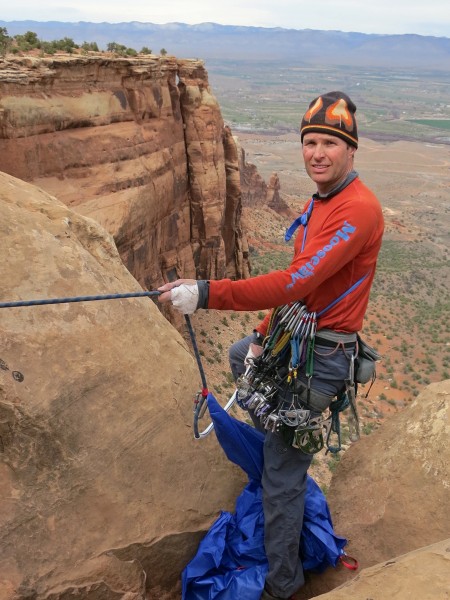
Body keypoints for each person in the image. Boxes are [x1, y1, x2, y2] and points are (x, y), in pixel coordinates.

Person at [158, 91, 384, 600]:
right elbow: (297, 296)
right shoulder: (319, 201)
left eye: (329, 143)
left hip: (323, 357)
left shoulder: (360, 210)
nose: (317, 154)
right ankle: (285, 458)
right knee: (241, 356)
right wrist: (262, 337)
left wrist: (208, 292)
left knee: (282, 480)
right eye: (310, 143)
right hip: (295, 338)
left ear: (351, 150)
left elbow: (292, 282)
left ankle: (282, 587)